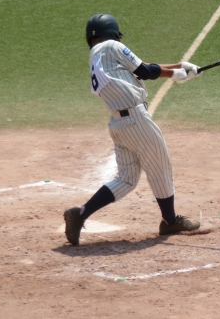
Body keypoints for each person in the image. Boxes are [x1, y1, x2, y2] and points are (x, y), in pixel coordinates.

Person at [63, 13, 209, 245]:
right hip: (136, 120)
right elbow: (145, 72)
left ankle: (81, 214)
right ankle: (170, 220)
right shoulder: (112, 46)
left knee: (126, 179)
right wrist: (175, 74)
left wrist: (180, 67)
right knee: (160, 166)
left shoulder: (98, 56)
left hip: (118, 124)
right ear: (112, 32)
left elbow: (141, 68)